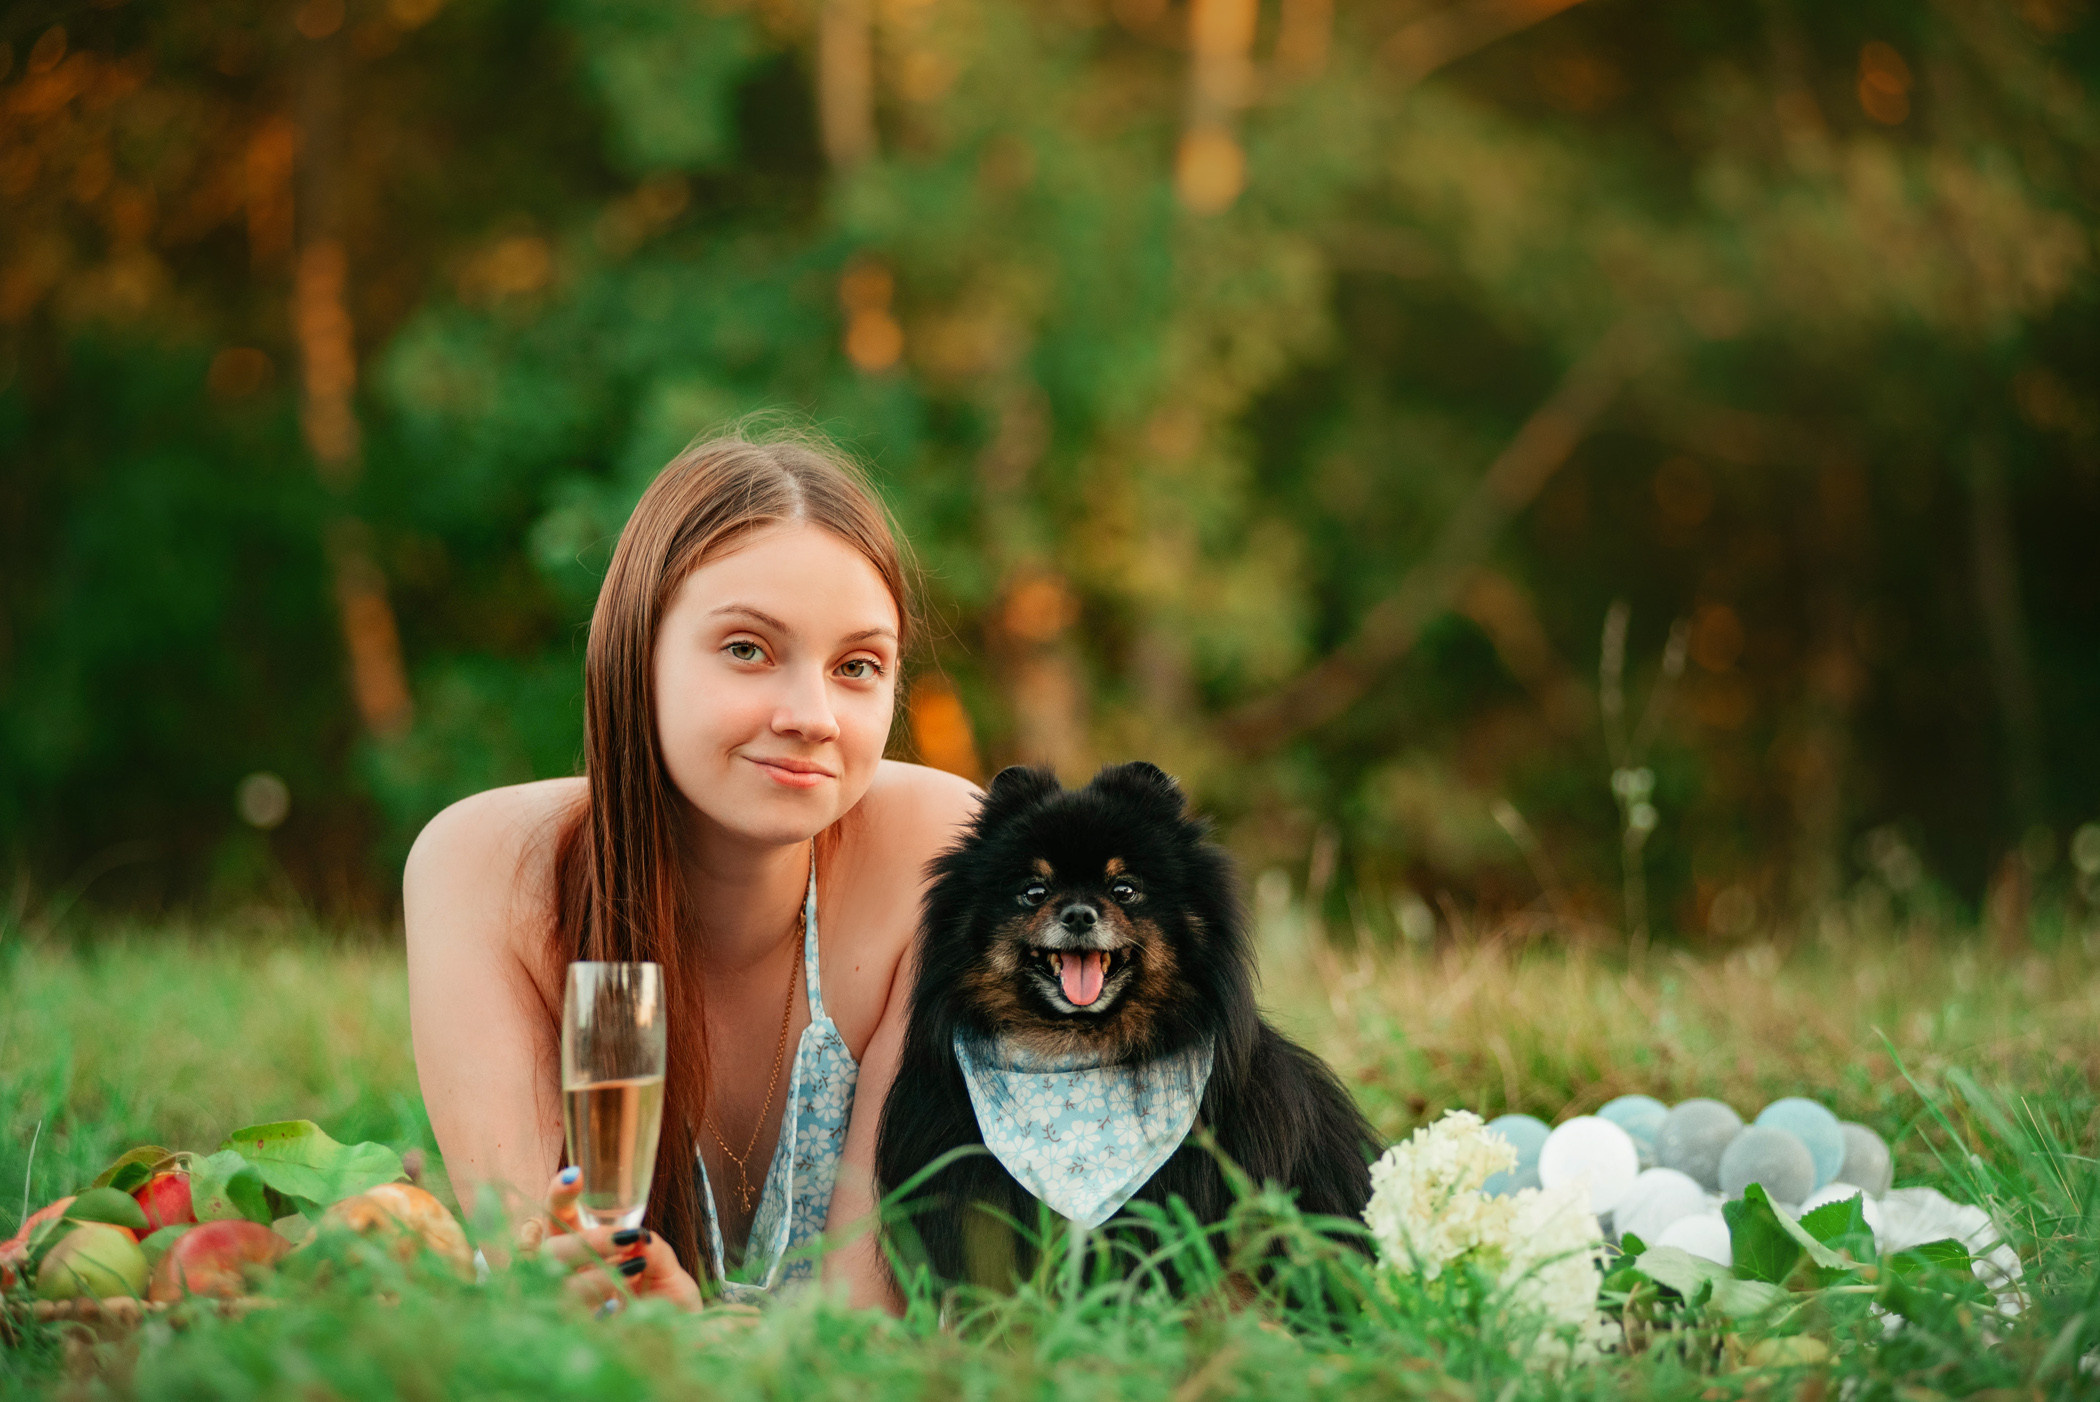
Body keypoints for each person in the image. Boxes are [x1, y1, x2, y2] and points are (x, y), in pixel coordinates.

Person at [402, 435, 980, 1311]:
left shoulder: (945, 854)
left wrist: (700, 1343)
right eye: (747, 649)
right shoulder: (484, 870)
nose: (812, 717)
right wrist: (632, 1321)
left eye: (858, 666)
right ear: (636, 655)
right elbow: (546, 1292)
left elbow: (872, 1318)